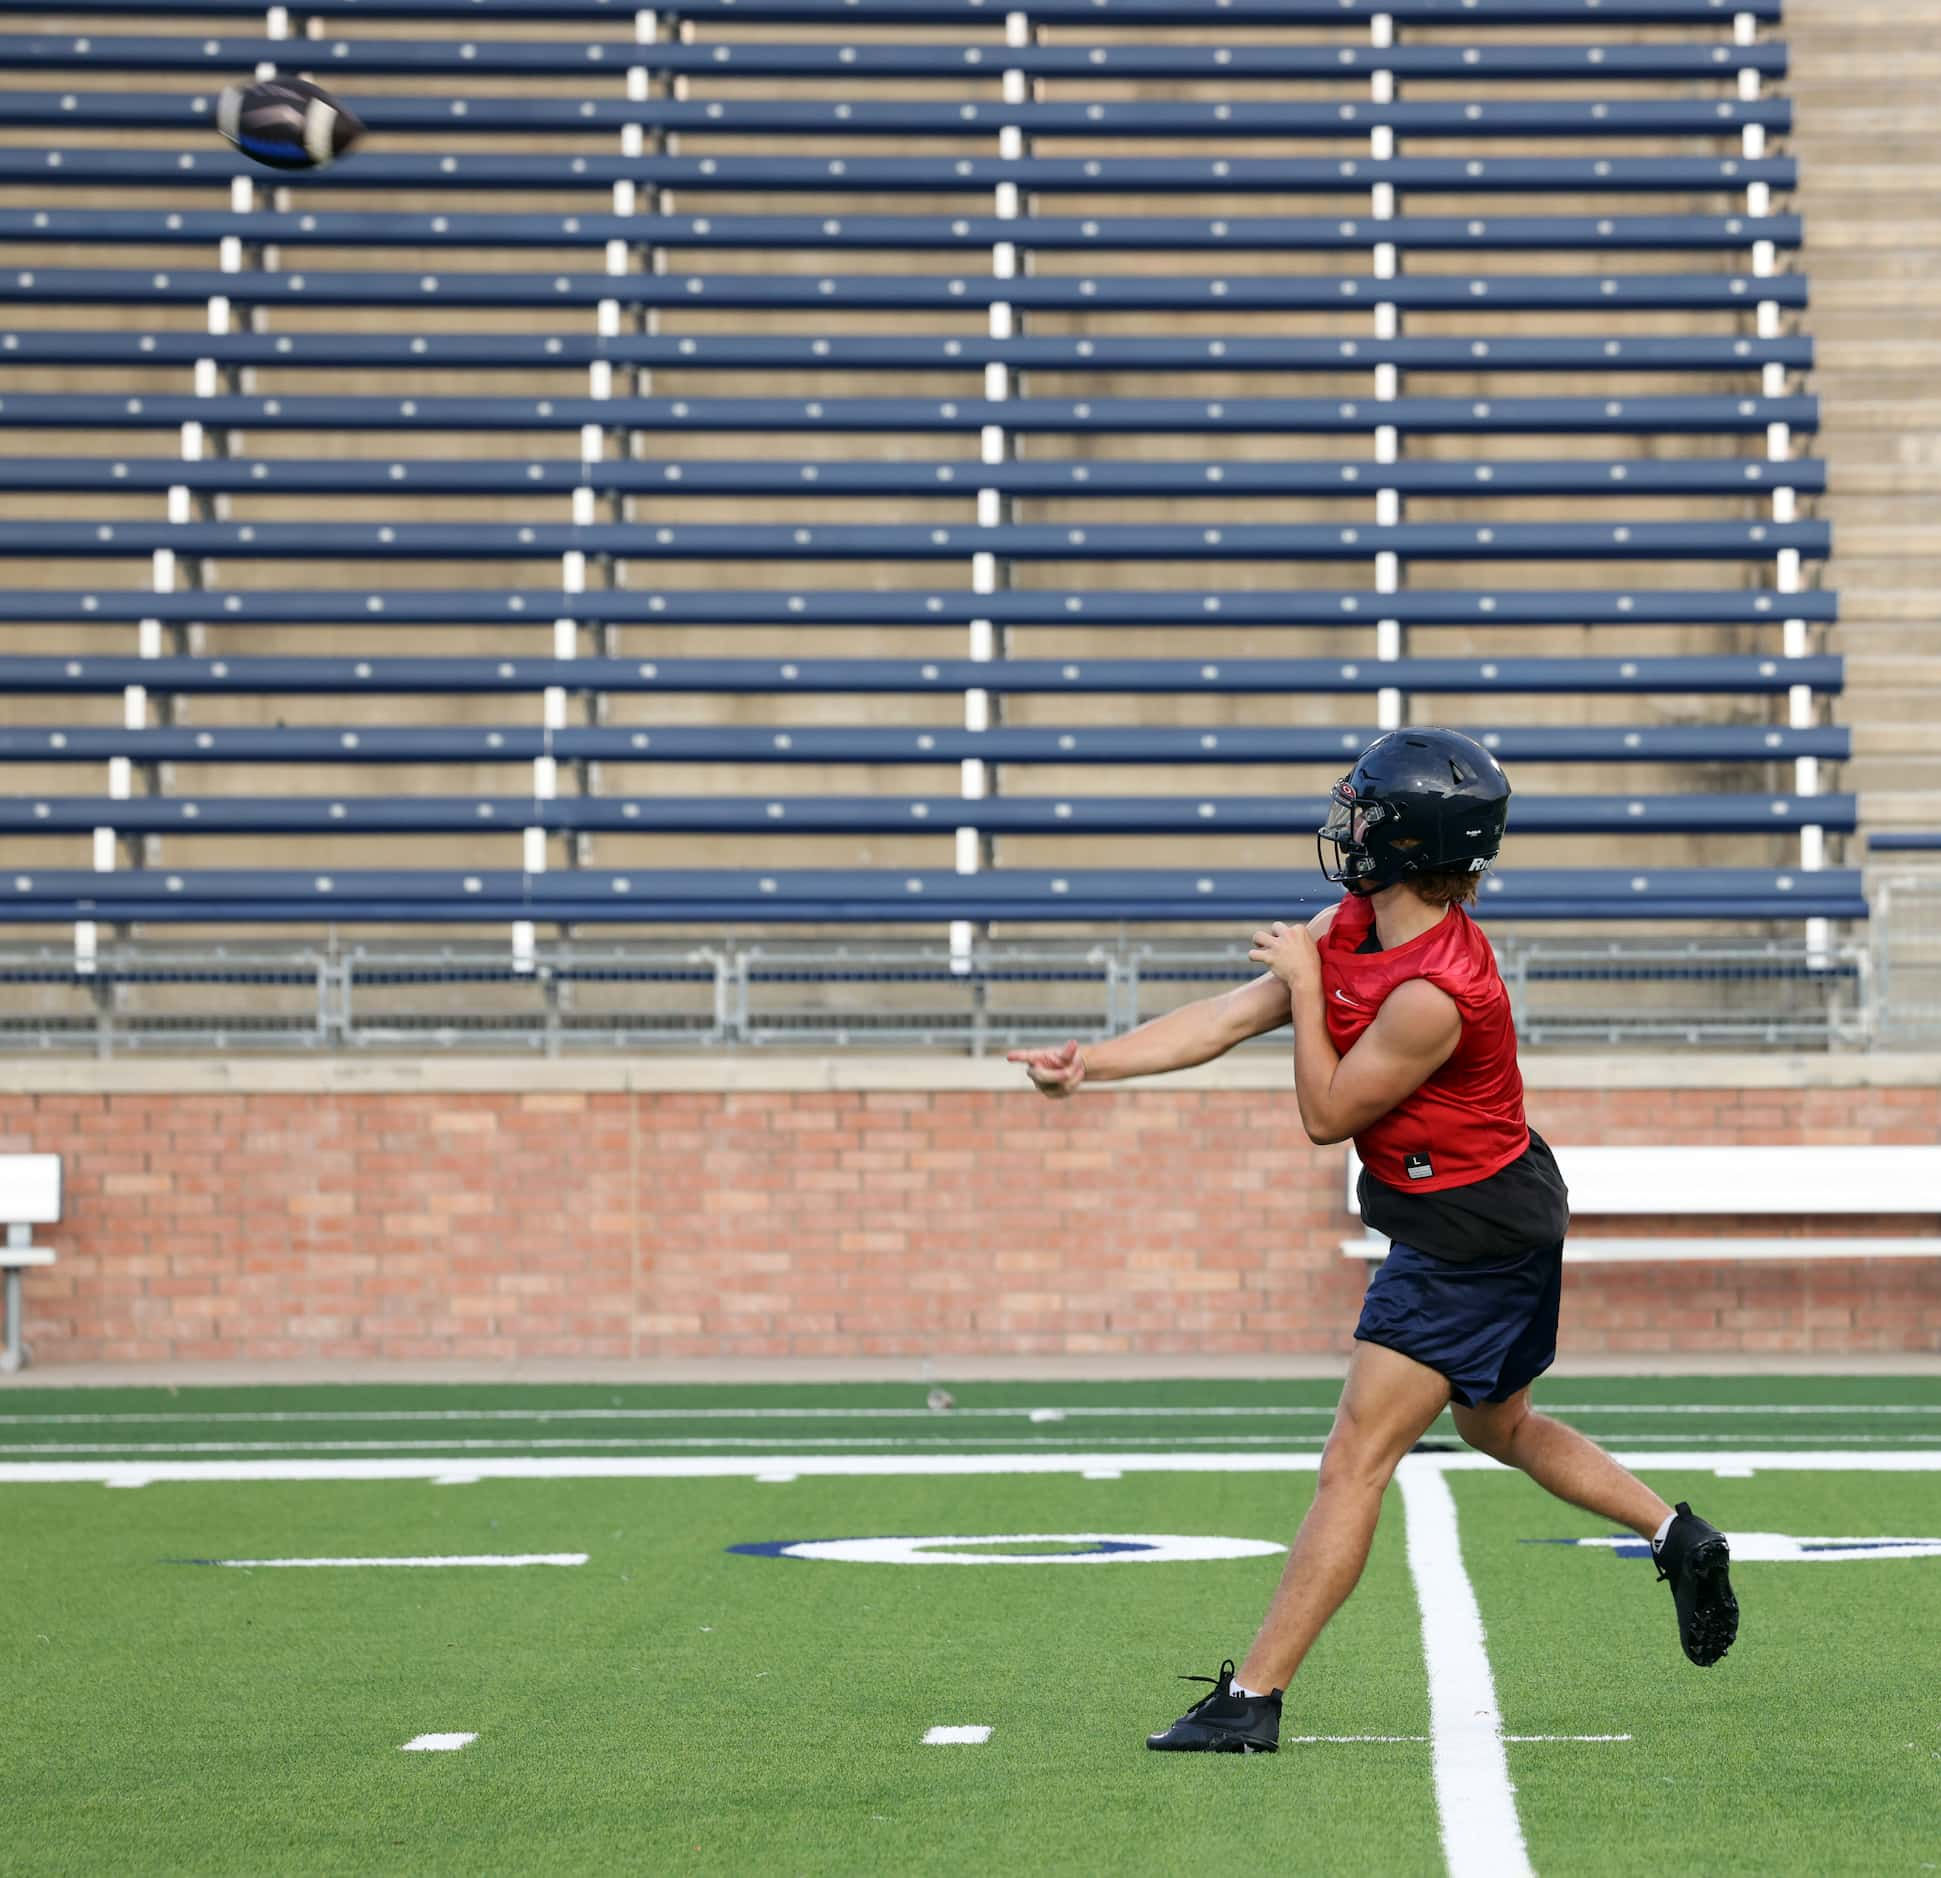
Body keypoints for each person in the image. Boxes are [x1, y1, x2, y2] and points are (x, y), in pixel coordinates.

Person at [1008, 727, 1738, 1754]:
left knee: (1354, 1459)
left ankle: (1252, 1700)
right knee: (1499, 1427)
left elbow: (1327, 1114)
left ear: (1407, 838)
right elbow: (1229, 1014)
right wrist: (1096, 1065)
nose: (1345, 827)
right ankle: (1677, 1534)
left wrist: (1308, 987)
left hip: (1470, 1234)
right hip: (1487, 1214)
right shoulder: (1352, 924)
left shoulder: (1439, 990)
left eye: (1363, 813)